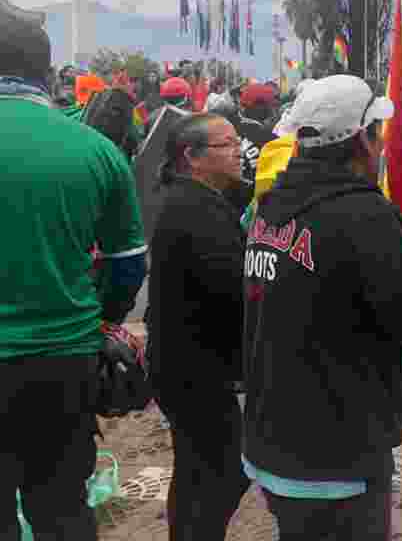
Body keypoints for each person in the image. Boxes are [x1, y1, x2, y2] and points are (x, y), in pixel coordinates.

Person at [242, 75, 402, 540]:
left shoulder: (275, 203)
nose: (385, 146)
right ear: (363, 140)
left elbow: (343, 288)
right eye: (379, 134)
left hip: (276, 436)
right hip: (334, 454)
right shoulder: (361, 213)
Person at [0, 3, 147, 540]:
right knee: (62, 507)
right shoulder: (96, 150)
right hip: (62, 362)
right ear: (44, 70)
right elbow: (129, 266)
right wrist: (100, 318)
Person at [146, 113, 249, 540]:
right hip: (194, 371)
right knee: (221, 473)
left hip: (187, 367)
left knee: (196, 472)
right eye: (226, 145)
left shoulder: (198, 201)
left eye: (236, 140)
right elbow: (231, 293)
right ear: (193, 157)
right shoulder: (195, 211)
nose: (238, 150)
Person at [237, 84, 279, 185]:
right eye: (272, 106)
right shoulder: (272, 142)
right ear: (261, 107)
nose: (274, 112)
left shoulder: (224, 129)